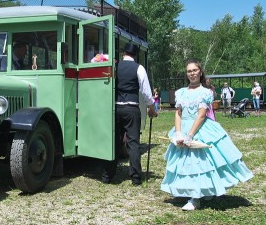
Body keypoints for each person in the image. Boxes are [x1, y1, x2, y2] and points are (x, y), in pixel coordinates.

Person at [161, 60, 253, 211]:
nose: (192, 73)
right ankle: (198, 191)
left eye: (195, 70)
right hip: (183, 128)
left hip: (199, 129)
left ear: (200, 72)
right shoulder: (181, 92)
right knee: (185, 164)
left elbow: (202, 115)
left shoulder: (205, 92)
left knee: (199, 163)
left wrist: (190, 135)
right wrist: (178, 133)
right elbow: (178, 113)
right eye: (189, 71)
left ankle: (195, 198)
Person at [102, 43, 157, 186]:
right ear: (135, 55)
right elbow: (145, 91)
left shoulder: (115, 66)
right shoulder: (139, 68)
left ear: (123, 53)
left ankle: (108, 175)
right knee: (133, 143)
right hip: (132, 108)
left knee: (114, 142)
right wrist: (151, 108)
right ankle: (136, 177)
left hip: (116, 109)